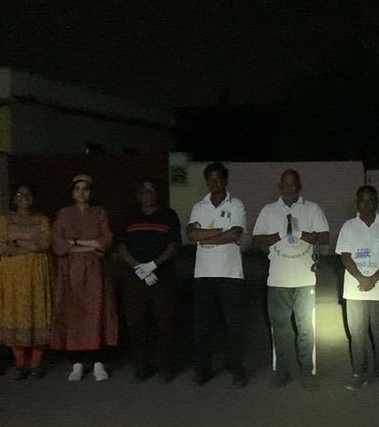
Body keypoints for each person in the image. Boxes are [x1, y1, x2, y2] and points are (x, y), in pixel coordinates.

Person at [252, 169, 330, 390]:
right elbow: (257, 240)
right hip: (277, 281)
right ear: (280, 186)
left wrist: (300, 233)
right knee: (280, 329)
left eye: (293, 184)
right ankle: (282, 372)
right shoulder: (268, 211)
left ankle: (307, 371)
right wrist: (279, 234)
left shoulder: (312, 209)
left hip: (305, 280)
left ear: (299, 186)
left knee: (306, 329)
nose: (289, 188)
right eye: (285, 184)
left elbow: (325, 237)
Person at [187, 162, 249, 387]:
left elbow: (235, 234)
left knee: (234, 326)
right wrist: (220, 231)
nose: (214, 183)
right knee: (203, 326)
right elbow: (191, 235)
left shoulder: (237, 205)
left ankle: (236, 369)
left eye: (218, 178)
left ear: (226, 180)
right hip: (203, 275)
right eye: (210, 179)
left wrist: (204, 236)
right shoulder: (199, 206)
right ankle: (203, 370)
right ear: (206, 181)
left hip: (230, 275)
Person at [336, 185, 379, 393]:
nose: (367, 204)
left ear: (377, 202)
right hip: (355, 290)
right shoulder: (348, 227)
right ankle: (359, 374)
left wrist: (373, 279)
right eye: (363, 201)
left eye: (371, 200)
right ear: (357, 203)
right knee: (357, 335)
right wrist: (361, 278)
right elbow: (345, 256)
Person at [51, 174, 118, 381]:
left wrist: (75, 242)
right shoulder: (64, 213)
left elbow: (105, 241)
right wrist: (89, 246)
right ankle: (77, 363)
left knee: (97, 312)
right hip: (70, 273)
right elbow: (58, 243)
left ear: (91, 192)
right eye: (77, 189)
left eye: (85, 189)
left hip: (95, 272)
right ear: (72, 193)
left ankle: (98, 361)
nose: (81, 193)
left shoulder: (99, 213)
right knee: (74, 315)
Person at [114, 179, 182, 383]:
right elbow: (121, 248)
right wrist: (140, 268)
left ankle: (165, 368)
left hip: (163, 276)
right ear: (138, 195)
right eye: (145, 191)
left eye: (152, 191)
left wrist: (153, 265)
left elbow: (173, 246)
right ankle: (142, 367)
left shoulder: (169, 215)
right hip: (134, 277)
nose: (149, 194)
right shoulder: (129, 216)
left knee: (165, 323)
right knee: (136, 324)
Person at [0, 183, 53, 380]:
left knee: (37, 313)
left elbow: (45, 243)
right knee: (16, 315)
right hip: (13, 277)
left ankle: (36, 362)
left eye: (28, 193)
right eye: (20, 193)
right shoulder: (5, 219)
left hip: (37, 274)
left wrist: (17, 243)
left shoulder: (41, 219)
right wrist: (31, 246)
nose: (23, 196)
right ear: (14, 198)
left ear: (33, 198)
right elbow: (0, 246)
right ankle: (20, 364)